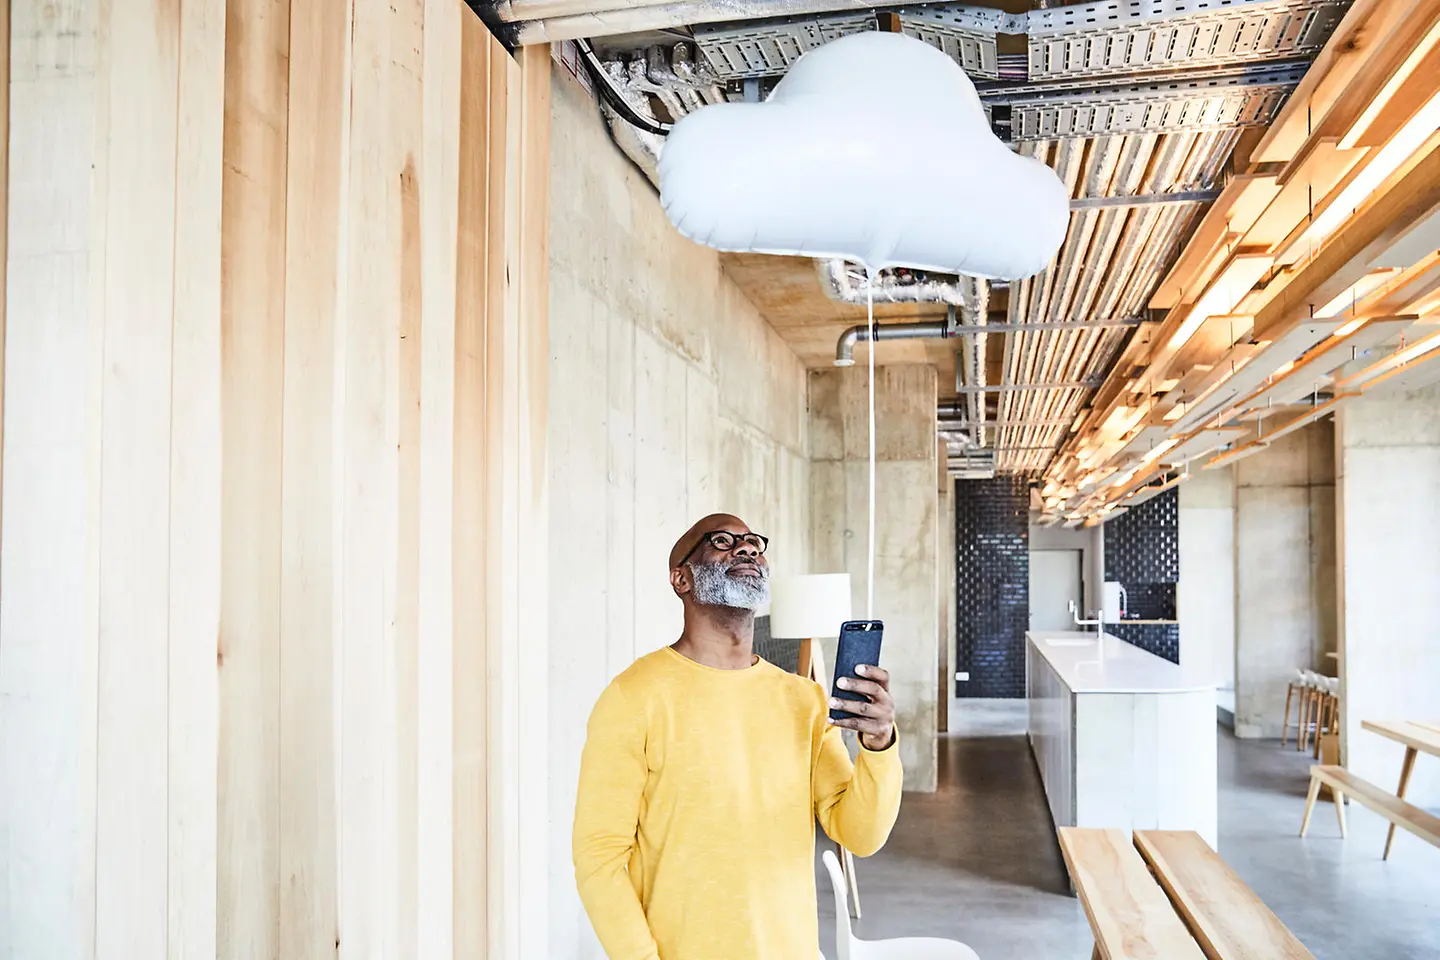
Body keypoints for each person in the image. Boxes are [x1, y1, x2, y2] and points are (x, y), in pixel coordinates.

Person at [573, 513, 903, 960]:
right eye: (723, 541)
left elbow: (861, 835)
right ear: (681, 579)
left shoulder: (802, 699)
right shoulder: (632, 697)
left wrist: (878, 744)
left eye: (754, 543)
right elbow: (600, 858)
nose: (747, 549)